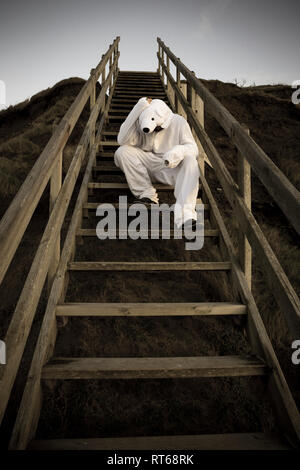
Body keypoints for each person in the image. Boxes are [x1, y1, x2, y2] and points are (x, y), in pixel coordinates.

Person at [114, 97, 200, 228]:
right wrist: (137, 109)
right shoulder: (140, 121)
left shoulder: (179, 122)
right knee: (122, 151)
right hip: (148, 163)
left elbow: (193, 148)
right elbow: (121, 139)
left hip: (171, 166)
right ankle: (147, 195)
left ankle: (186, 216)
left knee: (190, 160)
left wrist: (178, 151)